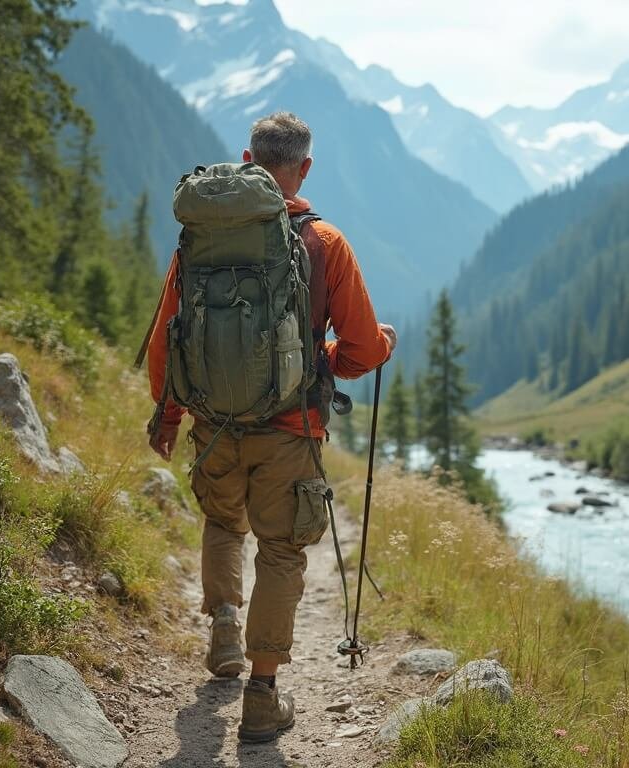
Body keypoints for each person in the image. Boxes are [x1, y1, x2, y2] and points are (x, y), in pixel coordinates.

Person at [145, 111, 395, 743]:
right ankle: (262, 695)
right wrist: (341, 356)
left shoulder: (199, 241)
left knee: (225, 520)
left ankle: (225, 626)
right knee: (281, 550)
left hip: (214, 422)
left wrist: (168, 413)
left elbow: (166, 338)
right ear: (304, 168)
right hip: (291, 428)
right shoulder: (325, 243)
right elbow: (362, 351)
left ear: (249, 160)